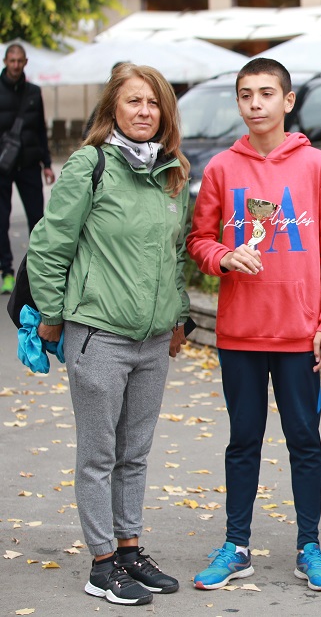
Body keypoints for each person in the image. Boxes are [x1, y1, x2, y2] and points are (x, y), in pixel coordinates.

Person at [28, 63, 191, 606]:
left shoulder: (172, 173)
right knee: (99, 455)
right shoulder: (90, 165)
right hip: (99, 334)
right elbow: (49, 245)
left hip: (153, 341)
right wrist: (52, 314)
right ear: (112, 109)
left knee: (135, 453)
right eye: (133, 101)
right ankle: (101, 565)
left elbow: (173, 255)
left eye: (154, 103)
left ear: (165, 112)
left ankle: (129, 549)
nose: (144, 111)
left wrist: (178, 316)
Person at [186, 58, 321, 592]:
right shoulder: (220, 168)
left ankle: (309, 546)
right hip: (240, 333)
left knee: (305, 440)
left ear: (288, 101)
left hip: (299, 334)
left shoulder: (316, 166)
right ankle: (236, 546)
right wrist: (224, 256)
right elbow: (198, 240)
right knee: (243, 441)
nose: (255, 103)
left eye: (265, 93)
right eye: (245, 94)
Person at [1, 43, 55, 294]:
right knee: (1, 221)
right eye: (11, 61)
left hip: (30, 163)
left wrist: (47, 163)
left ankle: (36, 271)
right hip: (2, 166)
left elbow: (40, 130)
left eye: (19, 61)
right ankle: (7, 271)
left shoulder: (34, 92)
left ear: (25, 62)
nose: (15, 65)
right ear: (5, 61)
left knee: (37, 220)